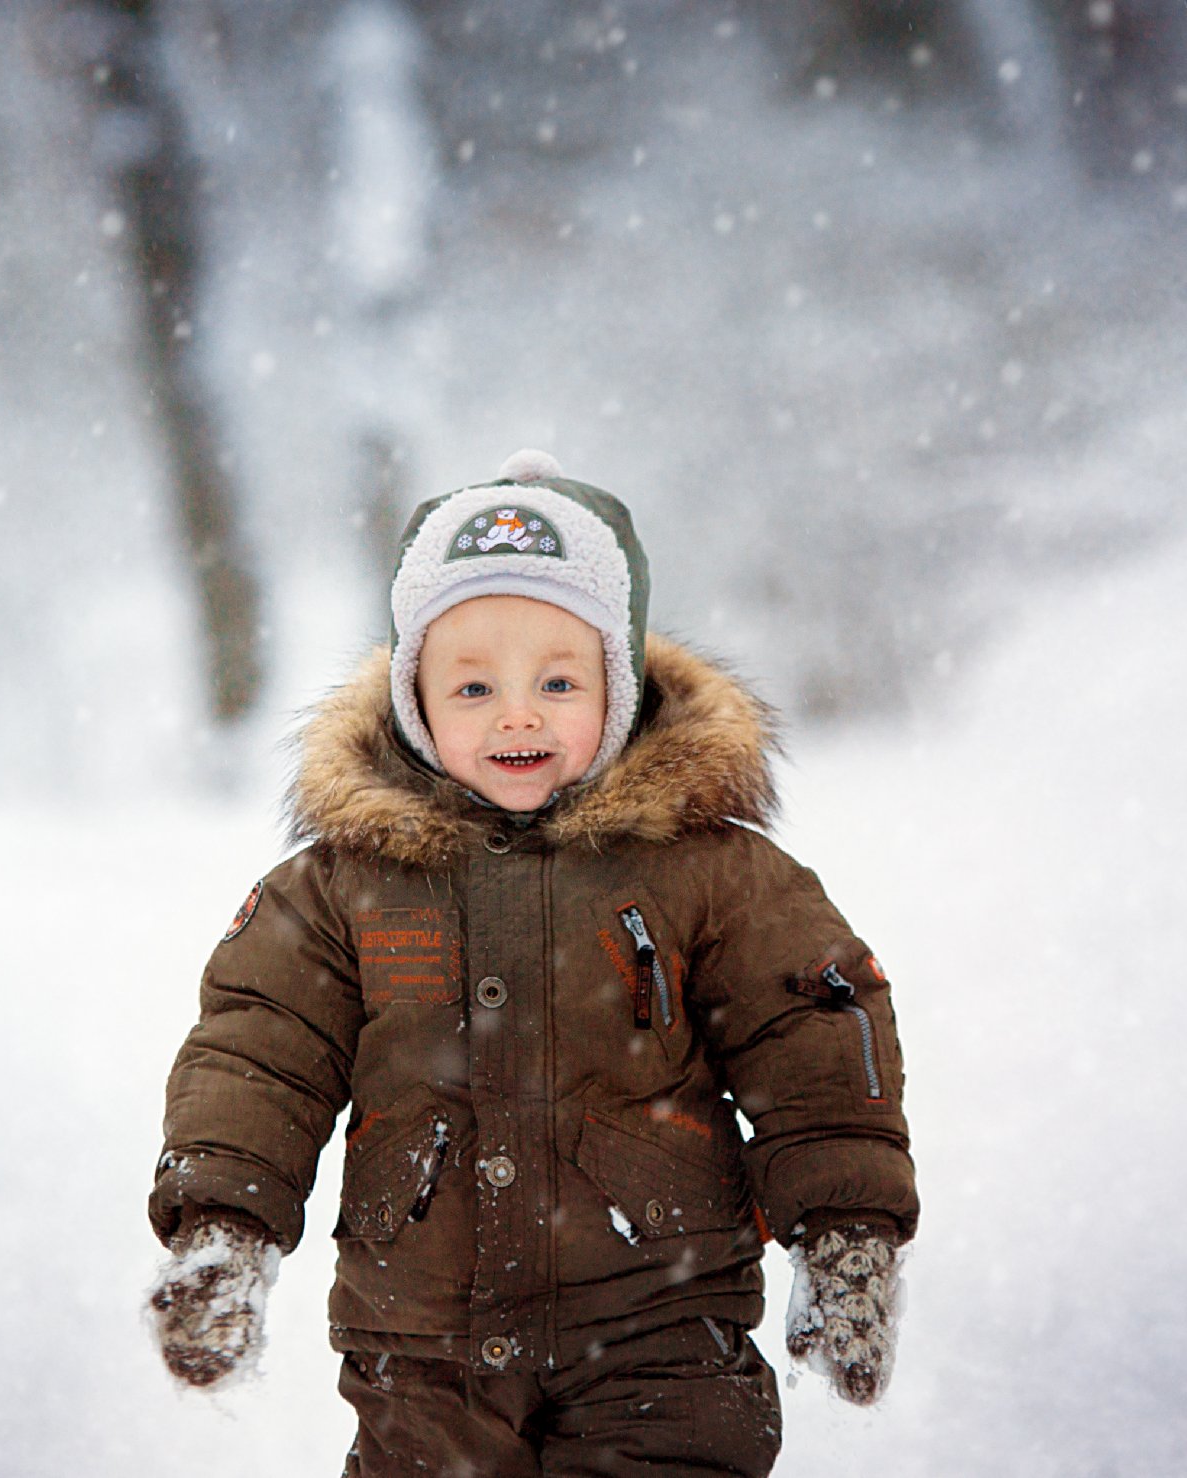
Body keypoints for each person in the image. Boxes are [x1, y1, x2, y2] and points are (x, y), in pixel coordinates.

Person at [146, 451, 917, 1476]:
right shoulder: (339, 889)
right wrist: (222, 1226)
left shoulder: (712, 870)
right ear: (412, 697)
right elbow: (256, 1053)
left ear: (622, 686)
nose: (517, 713)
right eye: (473, 684)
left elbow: (811, 1032)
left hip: (663, 1332)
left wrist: (845, 1228)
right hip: (424, 1353)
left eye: (558, 680)